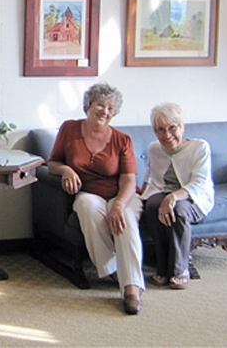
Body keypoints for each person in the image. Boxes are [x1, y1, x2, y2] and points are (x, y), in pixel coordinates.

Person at [47, 82, 145, 315]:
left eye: (111, 108)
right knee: (85, 205)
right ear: (88, 106)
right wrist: (67, 170)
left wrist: (119, 204)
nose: (105, 111)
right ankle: (113, 269)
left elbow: (129, 180)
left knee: (124, 219)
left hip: (122, 194)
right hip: (89, 192)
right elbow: (52, 163)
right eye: (101, 105)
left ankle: (132, 287)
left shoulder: (122, 140)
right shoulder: (69, 129)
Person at [141, 103, 214, 290]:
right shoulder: (154, 148)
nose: (167, 135)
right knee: (151, 205)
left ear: (182, 126)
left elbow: (199, 183)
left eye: (172, 128)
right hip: (163, 192)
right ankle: (162, 268)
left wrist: (173, 197)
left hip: (194, 198)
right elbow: (150, 173)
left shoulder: (200, 147)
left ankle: (180, 270)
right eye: (160, 130)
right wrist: (143, 191)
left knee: (179, 210)